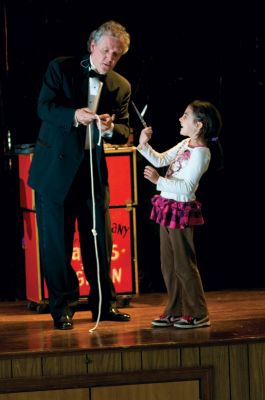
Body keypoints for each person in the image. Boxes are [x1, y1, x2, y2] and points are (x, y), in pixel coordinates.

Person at [28, 20, 132, 330]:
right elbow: (44, 108)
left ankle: (105, 303)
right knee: (57, 244)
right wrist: (75, 115)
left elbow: (125, 130)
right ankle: (63, 307)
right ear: (92, 46)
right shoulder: (60, 68)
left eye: (116, 55)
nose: (108, 59)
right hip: (55, 171)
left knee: (100, 239)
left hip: (91, 171)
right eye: (105, 51)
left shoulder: (121, 86)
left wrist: (110, 128)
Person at [137, 100, 223, 329]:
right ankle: (175, 309)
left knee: (184, 264)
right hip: (166, 206)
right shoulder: (186, 143)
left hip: (180, 210)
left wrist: (158, 180)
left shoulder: (202, 153)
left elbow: (186, 187)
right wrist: (144, 145)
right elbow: (161, 159)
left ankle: (198, 312)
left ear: (199, 125)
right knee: (169, 264)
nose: (180, 119)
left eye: (186, 116)